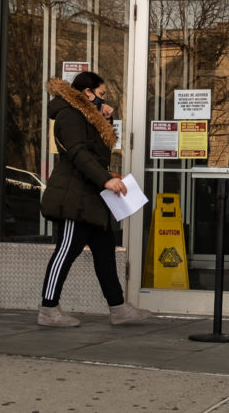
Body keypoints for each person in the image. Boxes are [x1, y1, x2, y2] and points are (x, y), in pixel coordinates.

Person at [37, 72, 151, 327]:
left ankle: (118, 308)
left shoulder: (87, 116)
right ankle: (48, 309)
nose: (103, 100)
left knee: (105, 252)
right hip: (73, 196)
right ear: (86, 92)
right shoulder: (69, 114)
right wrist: (106, 180)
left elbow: (97, 154)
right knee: (66, 251)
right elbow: (78, 153)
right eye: (100, 95)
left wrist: (104, 120)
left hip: (91, 197)